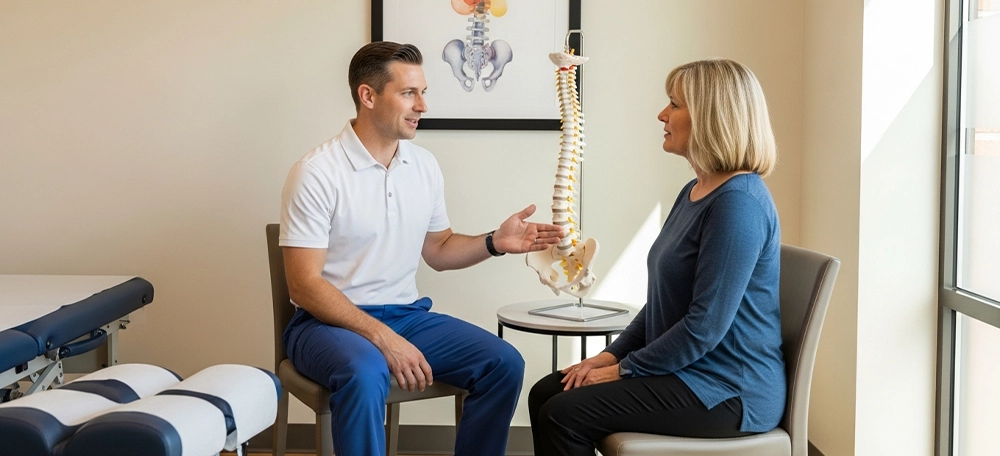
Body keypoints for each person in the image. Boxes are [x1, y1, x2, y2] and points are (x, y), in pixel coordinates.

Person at [279, 41, 564, 456]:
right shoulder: (317, 172)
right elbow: (303, 285)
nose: (423, 106)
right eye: (409, 93)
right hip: (325, 325)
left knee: (503, 364)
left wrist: (494, 242)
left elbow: (439, 249)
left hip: (406, 317)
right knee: (365, 372)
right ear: (368, 95)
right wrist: (382, 337)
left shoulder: (423, 165)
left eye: (423, 92)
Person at [527, 58, 784, 455]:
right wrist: (609, 356)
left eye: (674, 104)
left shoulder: (739, 204)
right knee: (547, 392)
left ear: (710, 116)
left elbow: (703, 328)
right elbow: (663, 305)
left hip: (729, 390)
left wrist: (623, 370)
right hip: (689, 371)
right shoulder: (695, 191)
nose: (662, 114)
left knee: (562, 414)